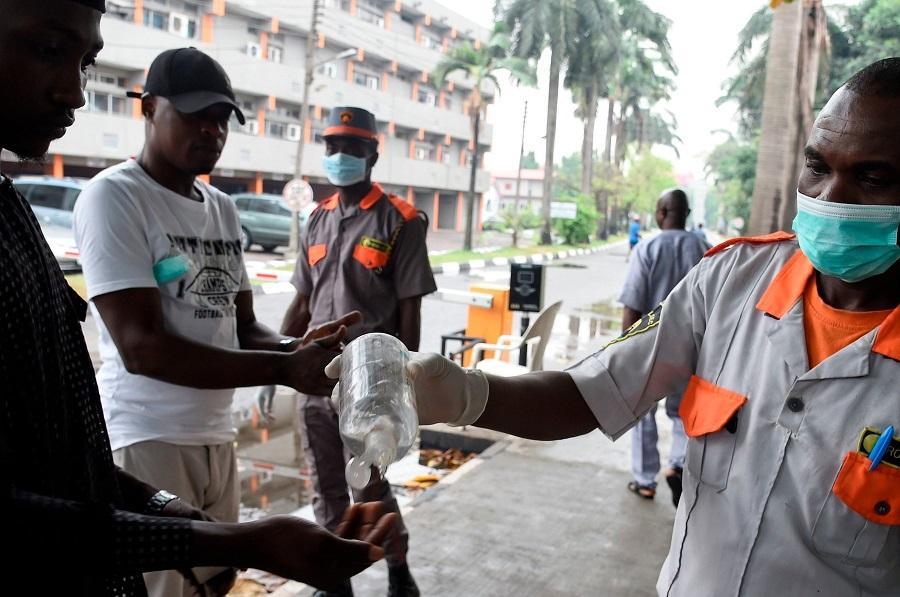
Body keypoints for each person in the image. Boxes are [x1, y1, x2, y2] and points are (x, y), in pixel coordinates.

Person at [328, 58, 900, 595]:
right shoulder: (732, 278)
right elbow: (590, 392)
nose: (831, 198)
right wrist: (466, 395)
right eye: (818, 166)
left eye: (872, 177)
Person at [0, 2, 395, 596]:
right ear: (149, 108)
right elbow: (143, 348)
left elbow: (242, 326)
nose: (211, 132)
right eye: (194, 117)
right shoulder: (115, 197)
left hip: (214, 431)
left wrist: (295, 349)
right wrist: (282, 370)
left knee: (214, 581)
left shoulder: (222, 208)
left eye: (221, 120)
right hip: (148, 435)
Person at [280, 106, 437, 597]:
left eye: (351, 147)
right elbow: (302, 303)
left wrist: (403, 387)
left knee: (369, 486)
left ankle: (398, 567)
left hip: (369, 388)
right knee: (324, 487)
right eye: (332, 146)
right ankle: (335, 582)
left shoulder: (400, 221)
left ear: (372, 154)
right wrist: (278, 363)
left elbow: (409, 316)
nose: (340, 155)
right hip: (314, 379)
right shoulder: (317, 219)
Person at [620, 189, 710, 505]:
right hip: (694, 348)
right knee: (684, 412)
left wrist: (624, 350)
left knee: (642, 413)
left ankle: (645, 480)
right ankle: (678, 465)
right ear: (686, 214)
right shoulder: (706, 250)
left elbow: (632, 304)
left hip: (650, 348)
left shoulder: (647, 248)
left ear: (661, 212)